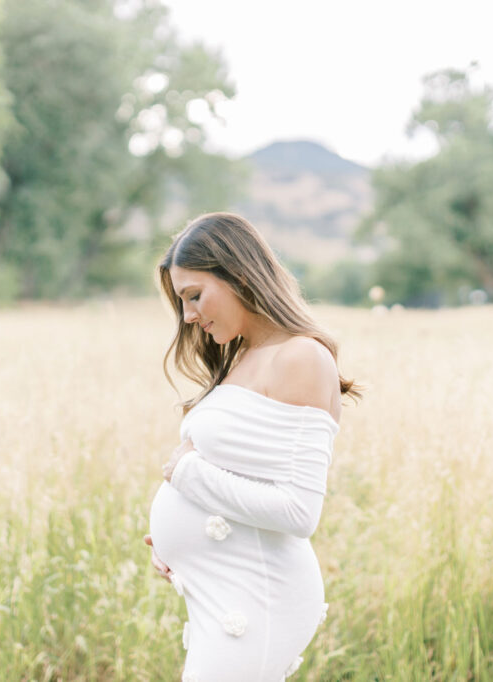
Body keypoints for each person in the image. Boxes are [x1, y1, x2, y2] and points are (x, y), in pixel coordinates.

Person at [144, 212, 362, 681]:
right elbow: (245, 481)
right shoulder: (244, 356)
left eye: (194, 296)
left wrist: (187, 476)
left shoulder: (300, 357)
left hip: (258, 596)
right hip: (222, 590)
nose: (188, 316)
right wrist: (186, 550)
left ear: (239, 275)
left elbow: (299, 512)